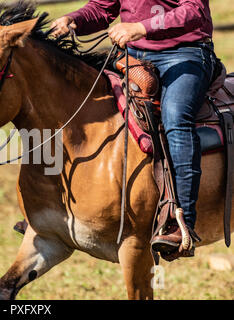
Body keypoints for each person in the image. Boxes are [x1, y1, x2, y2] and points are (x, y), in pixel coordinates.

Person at [51, 0, 218, 258]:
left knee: (176, 118)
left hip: (185, 53)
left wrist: (141, 27)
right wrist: (73, 20)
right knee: (78, 102)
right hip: (131, 56)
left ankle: (182, 221)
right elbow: (102, 8)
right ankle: (51, 209)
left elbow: (194, 10)